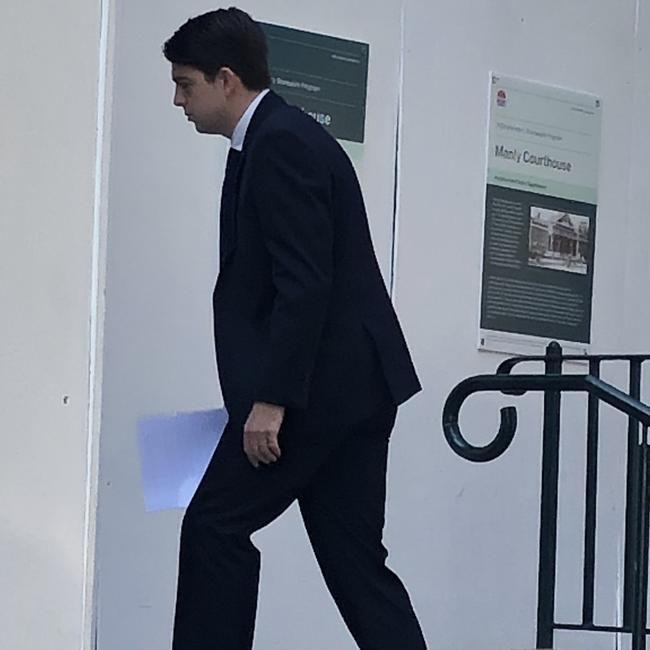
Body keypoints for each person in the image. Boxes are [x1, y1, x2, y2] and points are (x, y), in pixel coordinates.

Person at [164, 8, 427, 649]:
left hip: (317, 397)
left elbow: (303, 283)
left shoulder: (279, 144)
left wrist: (271, 401)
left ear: (226, 80)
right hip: (354, 392)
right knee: (356, 567)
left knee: (214, 528)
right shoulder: (279, 138)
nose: (178, 100)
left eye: (185, 83)